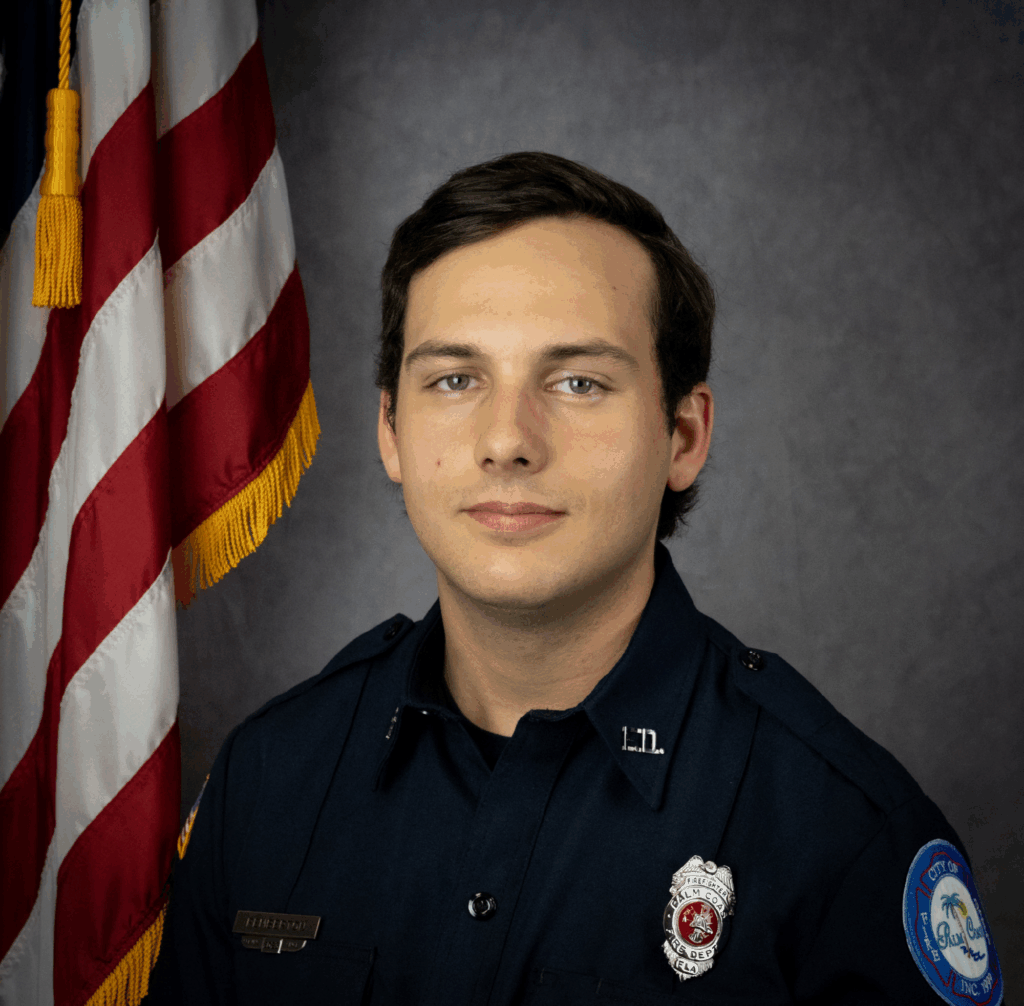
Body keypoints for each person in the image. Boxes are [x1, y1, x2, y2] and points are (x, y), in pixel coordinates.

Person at [149, 152, 1003, 1005]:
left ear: (683, 436)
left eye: (578, 382)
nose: (507, 439)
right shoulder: (270, 779)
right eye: (454, 379)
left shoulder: (842, 835)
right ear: (391, 432)